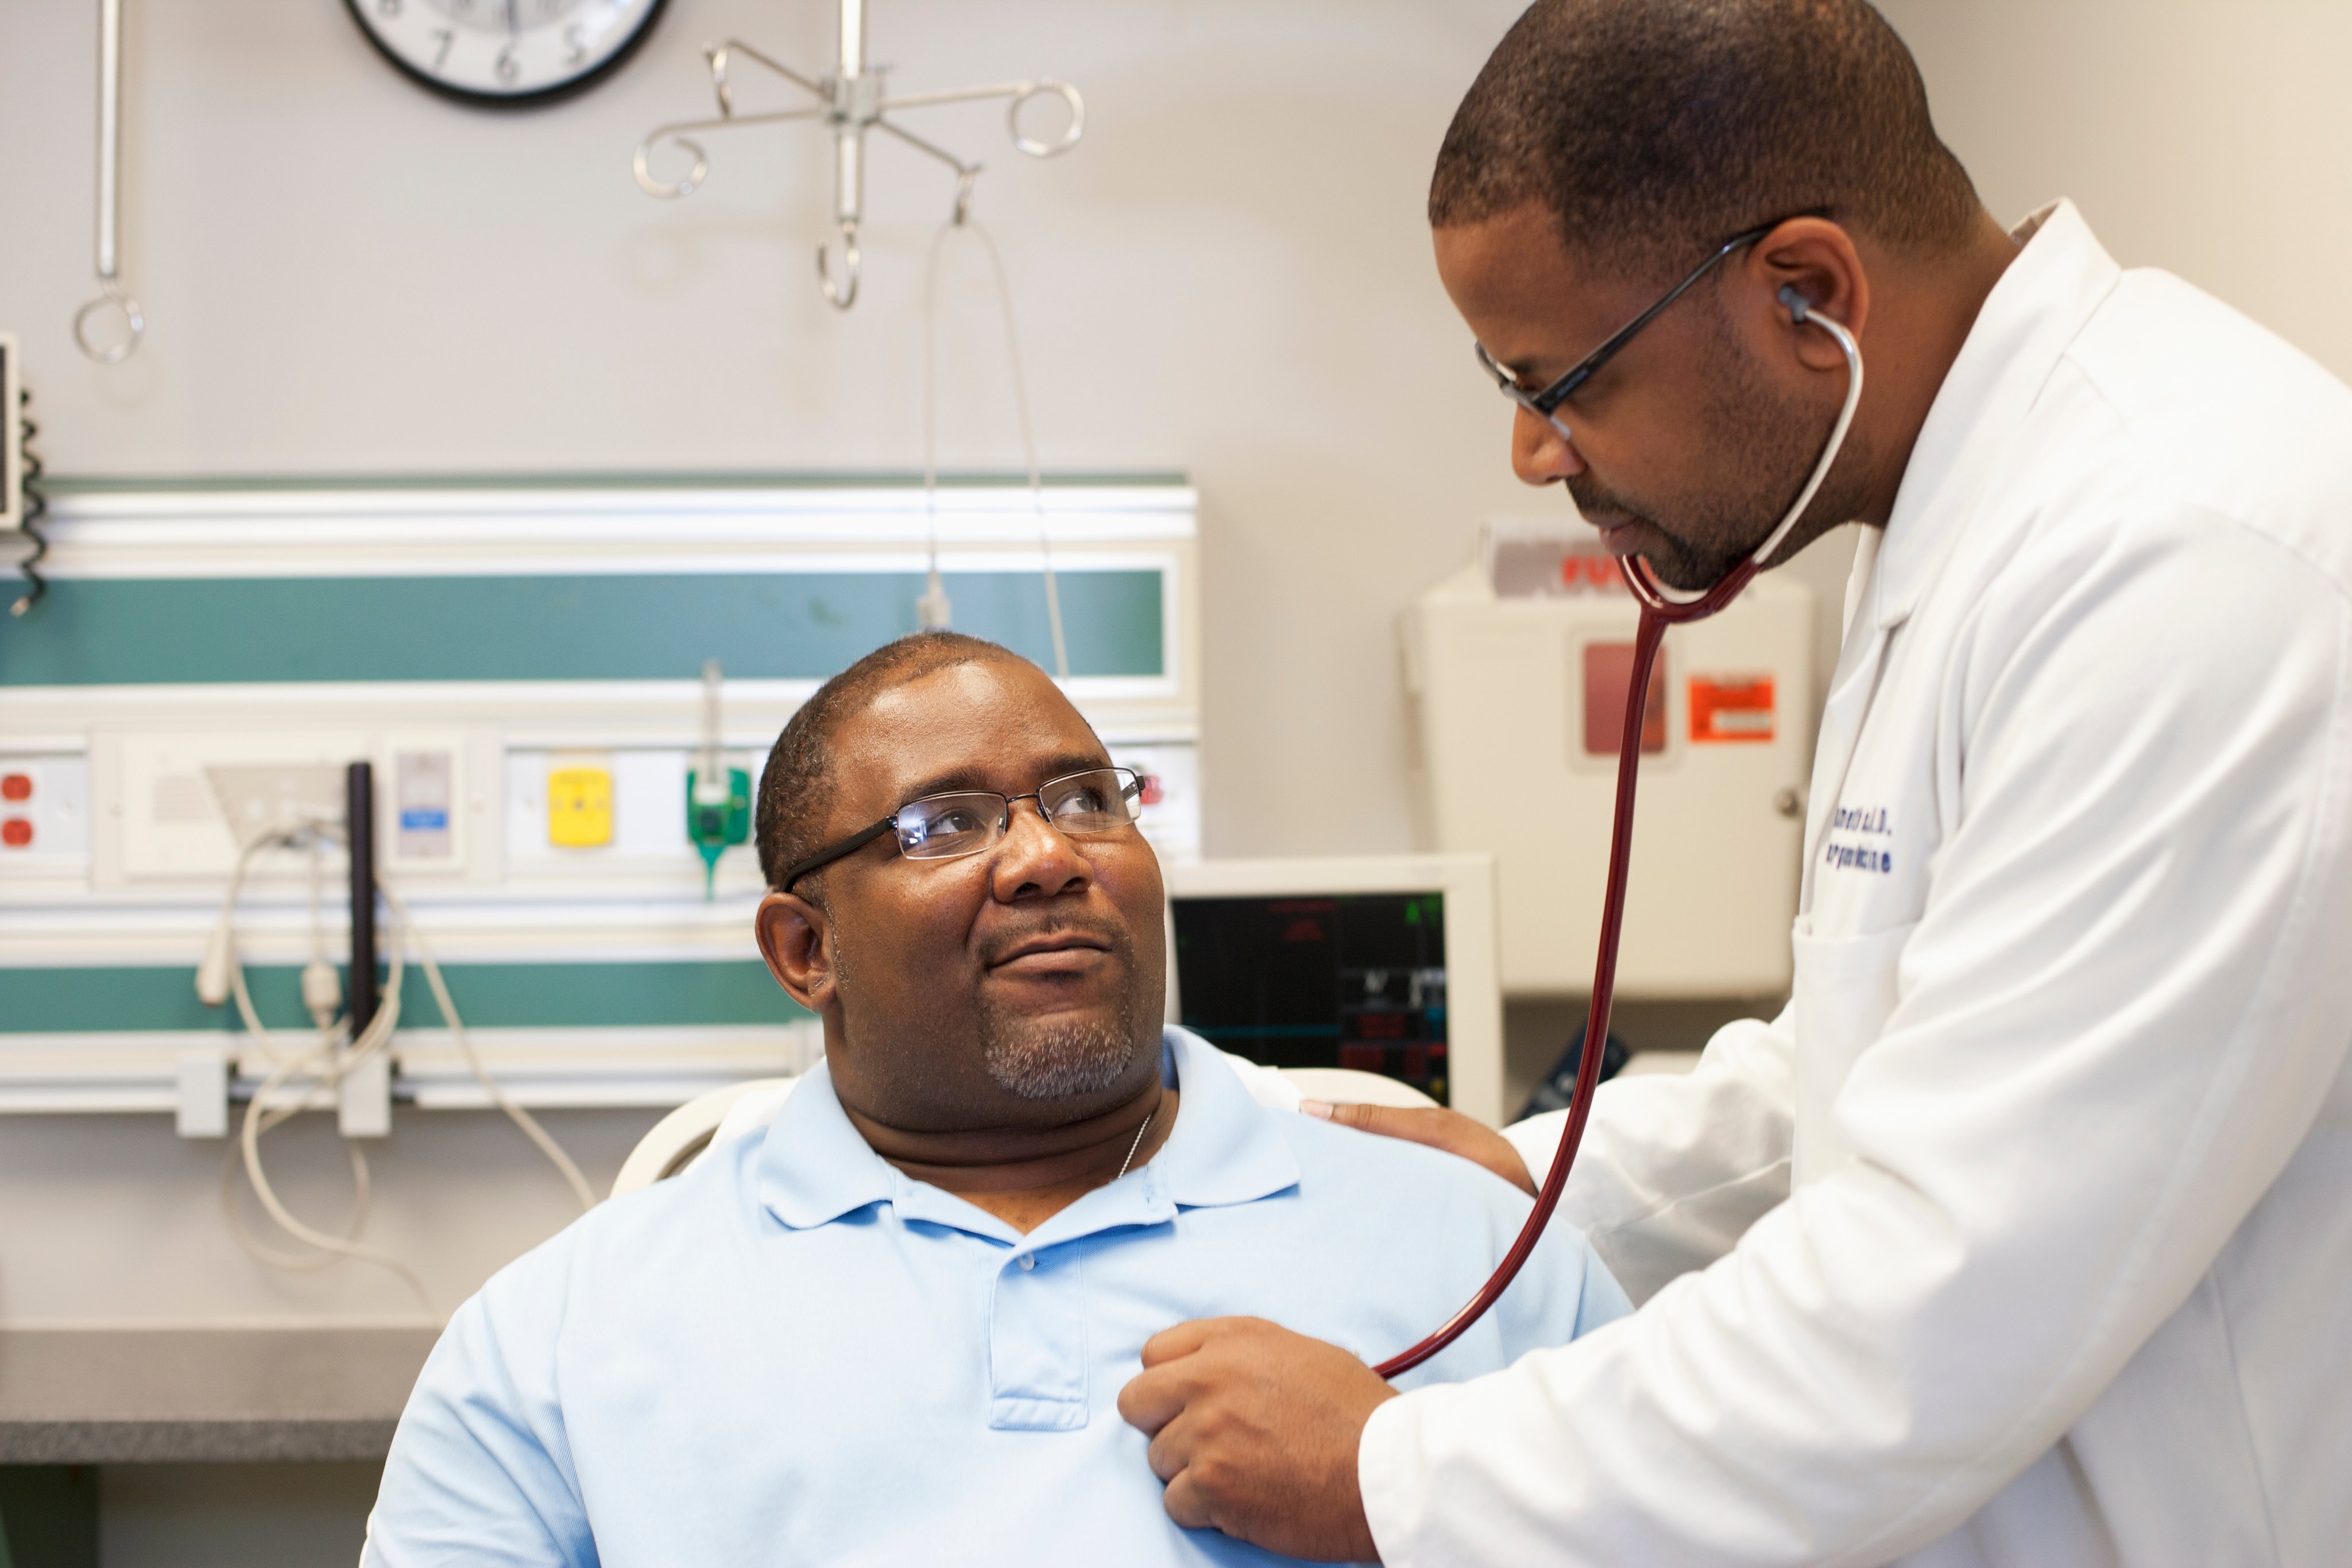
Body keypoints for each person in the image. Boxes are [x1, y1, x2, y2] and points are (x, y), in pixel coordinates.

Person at [1116, 1, 2352, 1563]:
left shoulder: (2179, 556)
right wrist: (1551, 1179)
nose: (1533, 454)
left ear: (1805, 294)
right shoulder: (1967, 511)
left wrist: (1386, 1471)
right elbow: (1891, 1047)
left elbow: (1930, 1310)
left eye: (1556, 380)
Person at [361, 632, 1628, 1567]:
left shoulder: (1474, 1257)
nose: (1045, 856)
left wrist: (1407, 1487)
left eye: (1086, 798)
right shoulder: (559, 1343)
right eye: (941, 824)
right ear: (805, 949)